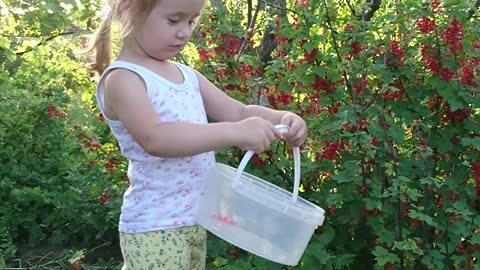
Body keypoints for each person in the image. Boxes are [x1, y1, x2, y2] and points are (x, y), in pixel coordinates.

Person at [84, 0, 308, 269]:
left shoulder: (186, 75)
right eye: (173, 20)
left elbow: (237, 112)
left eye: (191, 21)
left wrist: (282, 119)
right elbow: (155, 138)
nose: (184, 32)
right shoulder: (124, 79)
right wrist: (233, 133)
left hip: (194, 220)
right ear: (129, 9)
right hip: (154, 227)